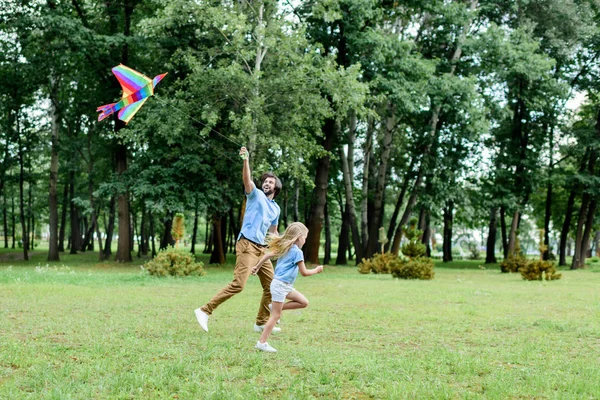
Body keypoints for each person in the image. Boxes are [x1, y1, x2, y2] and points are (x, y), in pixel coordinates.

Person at [194, 146, 282, 333]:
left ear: (276, 187)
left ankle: (260, 322)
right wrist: (245, 160)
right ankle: (204, 310)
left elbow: (273, 233)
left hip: (261, 249)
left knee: (272, 286)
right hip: (247, 244)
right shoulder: (255, 194)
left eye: (270, 182)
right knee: (239, 284)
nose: (266, 184)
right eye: (265, 181)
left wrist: (281, 243)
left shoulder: (276, 209)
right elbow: (247, 180)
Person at [251, 222, 324, 353]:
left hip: (285, 286)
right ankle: (261, 343)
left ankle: (275, 308)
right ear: (299, 237)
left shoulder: (285, 247)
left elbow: (267, 255)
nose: (306, 240)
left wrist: (257, 267)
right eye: (305, 237)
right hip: (280, 285)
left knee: (303, 302)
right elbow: (304, 272)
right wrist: (317, 270)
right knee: (275, 316)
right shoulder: (297, 252)